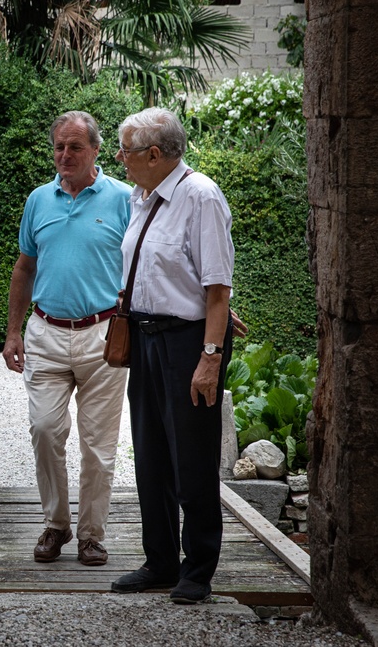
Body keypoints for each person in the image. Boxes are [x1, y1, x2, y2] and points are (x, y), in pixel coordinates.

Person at [108, 107, 235, 604]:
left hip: (187, 342)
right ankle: (159, 560)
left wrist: (210, 356)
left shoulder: (200, 195)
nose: (120, 158)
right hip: (146, 337)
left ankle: (197, 568)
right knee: (152, 455)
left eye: (125, 150)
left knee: (192, 457)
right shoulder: (143, 197)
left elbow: (217, 286)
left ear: (154, 154)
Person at [3, 111, 134, 567]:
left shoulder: (124, 198)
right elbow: (24, 267)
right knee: (44, 430)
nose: (65, 155)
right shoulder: (39, 199)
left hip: (104, 335)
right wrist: (13, 331)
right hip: (46, 332)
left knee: (98, 444)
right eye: (59, 146)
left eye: (75, 147)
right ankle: (56, 524)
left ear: (96, 150)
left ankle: (92, 535)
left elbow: (147, 261)